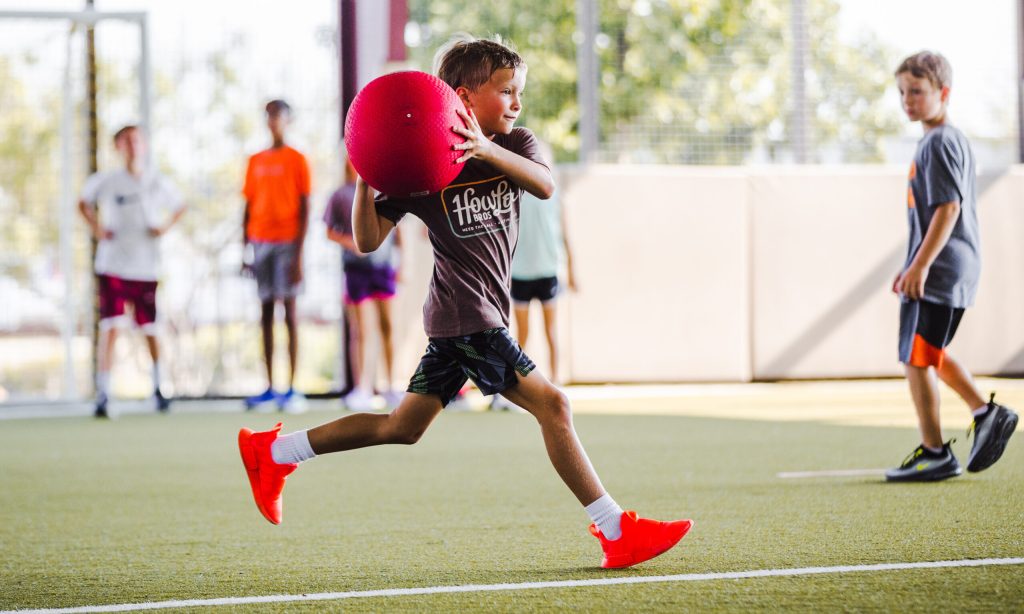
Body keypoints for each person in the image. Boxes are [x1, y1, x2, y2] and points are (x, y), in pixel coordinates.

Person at [238, 35, 692, 569]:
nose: (517, 103)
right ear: (464, 97)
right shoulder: (425, 168)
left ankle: (273, 453)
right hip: (467, 318)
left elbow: (544, 186)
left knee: (401, 428)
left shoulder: (517, 145)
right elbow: (366, 239)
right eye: (506, 91)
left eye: (519, 92)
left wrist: (482, 147)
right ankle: (616, 530)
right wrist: (366, 172)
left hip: (464, 321)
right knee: (555, 406)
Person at [885, 51, 1018, 482]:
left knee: (916, 357)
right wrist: (911, 266)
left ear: (943, 93)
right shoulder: (944, 139)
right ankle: (985, 413)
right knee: (927, 353)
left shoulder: (940, 141)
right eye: (903, 92)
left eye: (918, 92)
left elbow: (948, 208)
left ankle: (936, 452)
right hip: (944, 266)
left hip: (942, 268)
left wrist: (920, 266)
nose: (908, 100)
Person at [78, 125, 186, 418]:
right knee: (111, 326)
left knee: (150, 328)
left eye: (136, 139)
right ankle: (104, 394)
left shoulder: (155, 181)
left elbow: (180, 206)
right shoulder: (108, 181)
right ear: (117, 147)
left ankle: (158, 389)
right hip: (112, 265)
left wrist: (163, 227)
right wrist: (98, 229)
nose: (132, 145)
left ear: (145, 145)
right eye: (125, 141)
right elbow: (83, 203)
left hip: (145, 268)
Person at [492, 139, 575, 411]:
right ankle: (513, 387)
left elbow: (565, 234)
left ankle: (556, 384)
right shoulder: (516, 192)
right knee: (520, 335)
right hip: (520, 273)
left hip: (548, 271)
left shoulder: (555, 195)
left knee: (551, 330)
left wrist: (572, 269)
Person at [241, 99, 311, 412]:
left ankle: (292, 389)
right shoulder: (254, 160)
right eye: (268, 115)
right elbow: (247, 204)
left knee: (290, 313)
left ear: (288, 120)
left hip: (288, 242)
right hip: (260, 242)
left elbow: (305, 206)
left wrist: (298, 254)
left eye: (278, 115)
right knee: (265, 313)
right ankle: (269, 387)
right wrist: (244, 248)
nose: (273, 121)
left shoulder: (298, 159)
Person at [324, 157, 403, 411]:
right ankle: (361, 388)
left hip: (382, 268)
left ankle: (391, 386)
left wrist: (402, 264)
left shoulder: (382, 190)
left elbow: (397, 230)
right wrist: (352, 244)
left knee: (387, 325)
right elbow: (329, 230)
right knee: (360, 330)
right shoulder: (339, 195)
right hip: (355, 270)